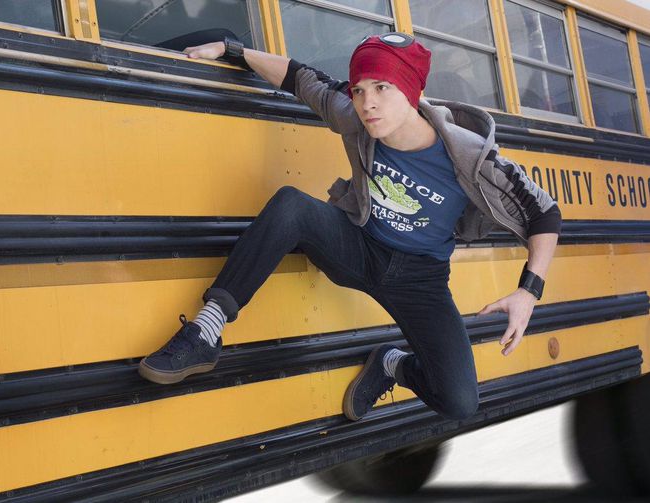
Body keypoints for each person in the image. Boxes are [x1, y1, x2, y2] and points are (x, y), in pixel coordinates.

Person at [138, 32, 561, 422]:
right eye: (359, 89)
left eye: (382, 88)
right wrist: (232, 50)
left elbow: (544, 213)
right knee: (292, 205)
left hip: (421, 280)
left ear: (412, 91)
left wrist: (529, 291)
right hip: (358, 247)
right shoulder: (356, 117)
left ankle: (391, 363)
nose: (367, 102)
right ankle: (206, 331)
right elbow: (299, 77)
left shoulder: (472, 157)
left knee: (460, 402)